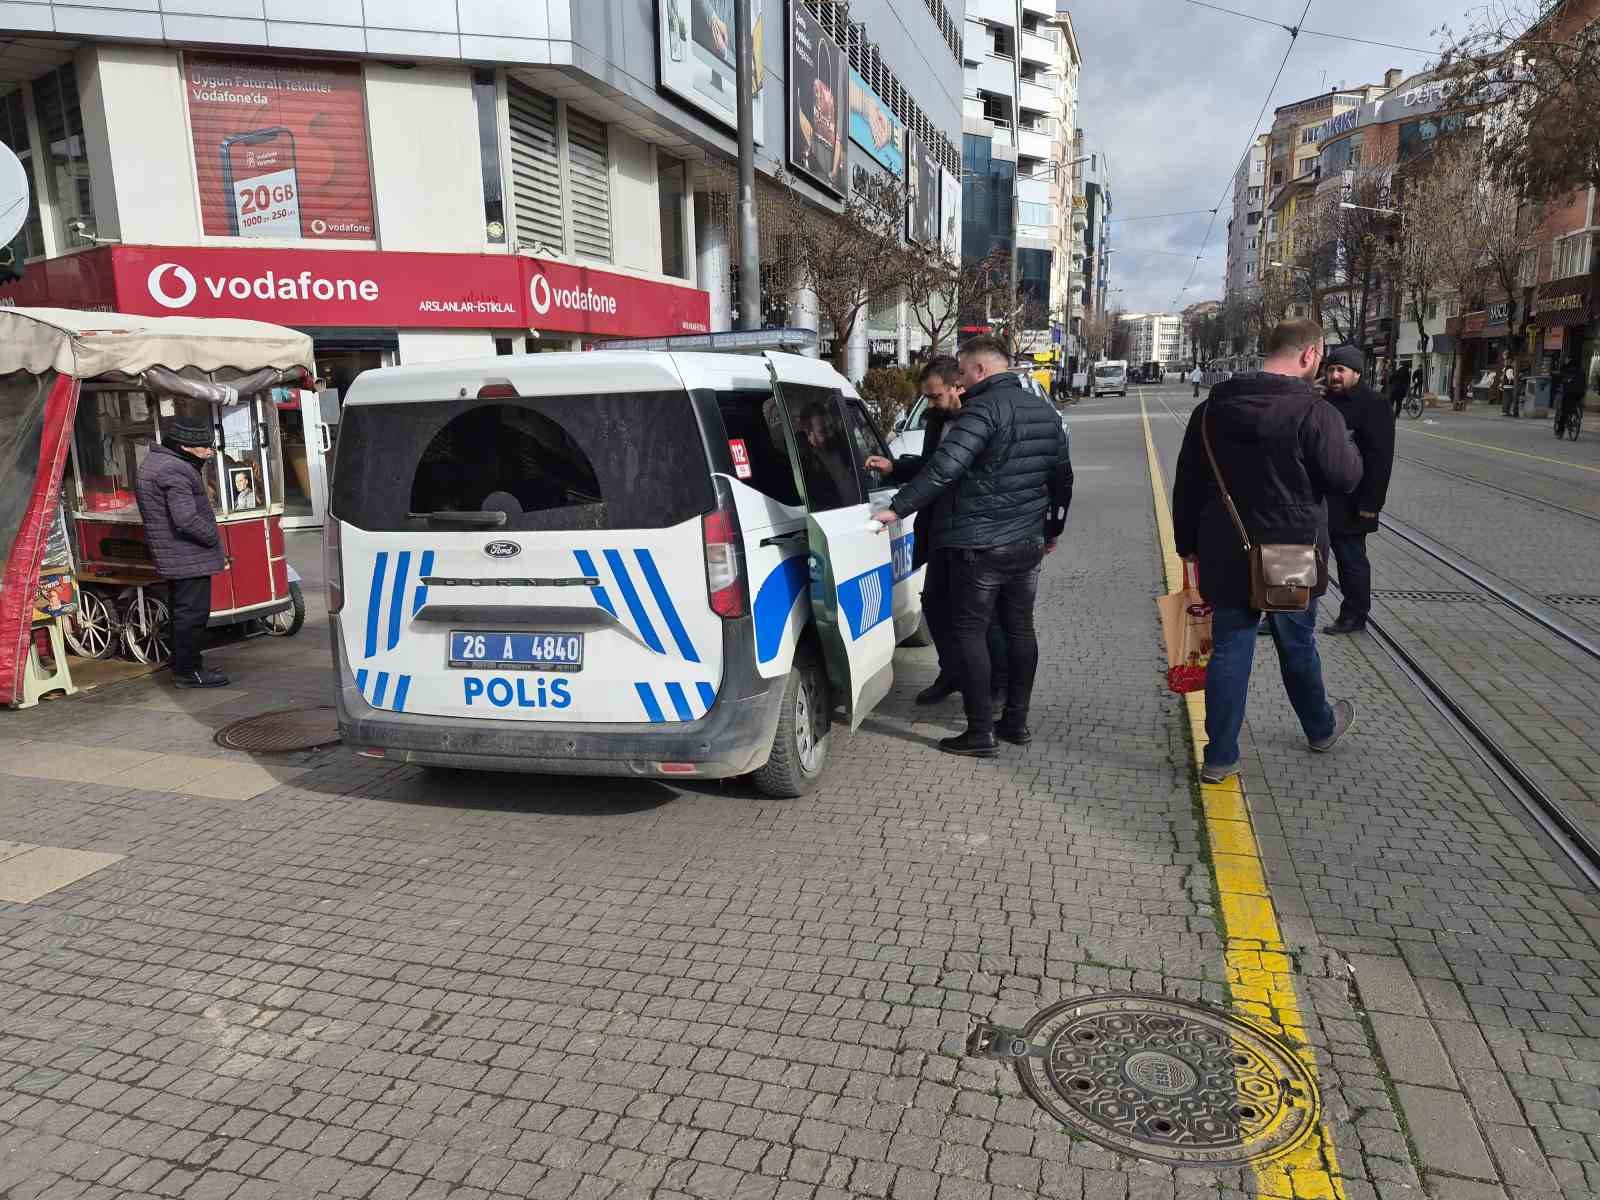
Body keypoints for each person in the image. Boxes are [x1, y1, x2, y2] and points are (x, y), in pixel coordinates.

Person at [1171, 318, 1363, 784]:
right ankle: (1320, 728)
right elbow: (1346, 478)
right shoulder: (1317, 414)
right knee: (1296, 643)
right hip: (1292, 552)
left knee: (1230, 650)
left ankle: (1219, 756)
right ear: (1311, 355)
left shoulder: (1211, 412)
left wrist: (1186, 546)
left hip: (1225, 548)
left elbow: (1188, 484)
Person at [873, 336, 1072, 756]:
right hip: (1027, 543)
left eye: (962, 372)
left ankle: (980, 731)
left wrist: (897, 507)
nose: (960, 381)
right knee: (1020, 629)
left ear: (980, 370)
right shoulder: (1043, 410)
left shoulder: (983, 409)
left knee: (970, 632)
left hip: (980, 546)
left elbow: (946, 467)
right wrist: (1052, 530)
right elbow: (1062, 478)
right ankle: (1015, 722)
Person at [864, 357, 1009, 705]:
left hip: (976, 533)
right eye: (926, 398)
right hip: (940, 529)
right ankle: (952, 674)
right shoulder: (936, 421)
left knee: (980, 618)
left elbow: (949, 473)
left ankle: (994, 689)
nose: (930, 404)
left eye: (935, 396)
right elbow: (932, 467)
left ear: (959, 386)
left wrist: (898, 508)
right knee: (935, 604)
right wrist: (895, 466)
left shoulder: (980, 421)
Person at [135, 416, 229, 688]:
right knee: (192, 615)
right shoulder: (175, 470)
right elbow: (186, 518)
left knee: (182, 612)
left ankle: (183, 665)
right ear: (186, 447)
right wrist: (213, 536)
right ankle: (189, 671)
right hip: (187, 556)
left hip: (177, 556)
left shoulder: (156, 463)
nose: (210, 451)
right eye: (204, 447)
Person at [1321, 345, 1395, 635]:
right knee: (1303, 558)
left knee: (1350, 558)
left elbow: (1380, 458)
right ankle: (1286, 612)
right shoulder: (1321, 400)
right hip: (1318, 498)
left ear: (1357, 373)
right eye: (1330, 369)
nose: (1334, 375)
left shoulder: (1374, 404)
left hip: (1353, 500)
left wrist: (1371, 502)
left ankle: (1355, 615)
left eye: (1341, 370)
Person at [1556, 353, 1587, 438]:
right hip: (1580, 393)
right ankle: (1575, 415)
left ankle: (1560, 431)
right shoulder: (1581, 370)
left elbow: (1560, 375)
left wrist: (1565, 364)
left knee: (1564, 411)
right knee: (1574, 404)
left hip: (1569, 392)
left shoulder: (1567, 369)